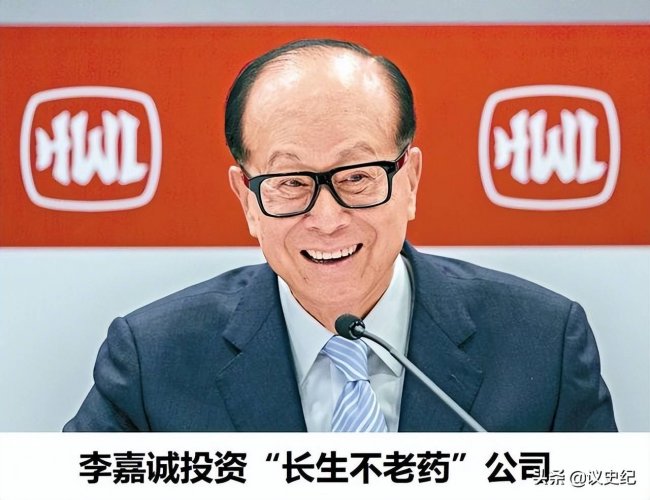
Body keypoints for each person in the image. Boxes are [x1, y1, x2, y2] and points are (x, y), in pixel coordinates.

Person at [64, 39, 617, 432]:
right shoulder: (153, 359)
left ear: (410, 180)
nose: (327, 219)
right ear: (246, 199)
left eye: (356, 177)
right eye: (289, 182)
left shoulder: (542, 344)